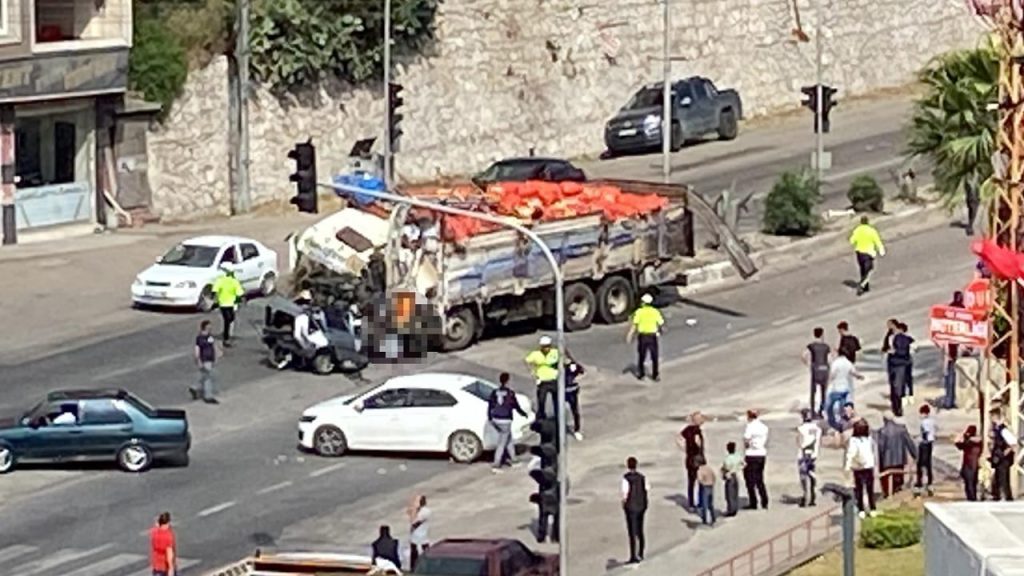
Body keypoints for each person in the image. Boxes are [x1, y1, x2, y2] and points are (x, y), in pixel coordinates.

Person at [488, 372, 527, 472]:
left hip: (495, 418)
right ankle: (496, 464)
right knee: (502, 442)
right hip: (505, 419)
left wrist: (490, 417)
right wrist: (523, 414)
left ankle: (514, 460)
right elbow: (515, 405)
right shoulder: (510, 393)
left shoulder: (495, 392)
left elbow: (490, 405)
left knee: (508, 439)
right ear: (508, 381)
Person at [877, 411, 917, 498]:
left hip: (887, 461)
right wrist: (915, 455)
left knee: (888, 482)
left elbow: (881, 448)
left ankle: (889, 497)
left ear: (884, 420)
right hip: (900, 460)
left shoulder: (882, 431)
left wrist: (880, 463)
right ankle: (897, 495)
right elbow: (910, 443)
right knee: (898, 480)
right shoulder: (901, 429)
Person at [627, 293, 664, 381]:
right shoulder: (655, 312)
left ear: (643, 302)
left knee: (642, 356)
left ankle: (641, 374)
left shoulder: (639, 312)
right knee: (654, 356)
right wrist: (661, 331)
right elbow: (661, 324)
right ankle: (655, 375)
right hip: (652, 336)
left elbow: (634, 325)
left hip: (643, 337)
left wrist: (630, 335)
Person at [845, 419, 878, 519]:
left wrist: (847, 465)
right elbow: (872, 451)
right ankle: (872, 509)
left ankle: (861, 509)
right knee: (870, 489)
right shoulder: (869, 439)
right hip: (869, 465)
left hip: (858, 467)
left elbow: (851, 453)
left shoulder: (853, 440)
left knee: (859, 489)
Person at [825, 352, 863, 432]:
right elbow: (853, 373)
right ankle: (843, 423)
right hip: (845, 388)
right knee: (842, 407)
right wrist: (859, 376)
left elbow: (832, 375)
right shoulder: (848, 363)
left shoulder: (836, 363)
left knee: (829, 406)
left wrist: (828, 382)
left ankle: (832, 422)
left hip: (836, 389)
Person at [621, 456, 649, 564]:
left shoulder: (626, 478)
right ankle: (641, 553)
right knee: (640, 530)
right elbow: (646, 489)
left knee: (632, 532)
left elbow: (625, 493)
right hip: (641, 506)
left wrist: (624, 504)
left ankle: (633, 556)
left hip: (631, 507)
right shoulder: (642, 477)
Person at [848, 215, 885, 295]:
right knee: (869, 269)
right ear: (868, 222)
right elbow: (877, 241)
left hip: (859, 253)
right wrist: (881, 250)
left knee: (862, 269)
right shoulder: (871, 231)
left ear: (861, 222)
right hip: (868, 252)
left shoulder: (857, 230)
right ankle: (862, 285)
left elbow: (851, 241)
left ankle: (866, 287)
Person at [524, 336, 560, 418]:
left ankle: (558, 416)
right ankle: (541, 417)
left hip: (554, 380)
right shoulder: (536, 354)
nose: (546, 348)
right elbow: (527, 361)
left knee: (557, 401)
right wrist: (532, 371)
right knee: (541, 401)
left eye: (548, 346)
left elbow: (563, 359)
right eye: (544, 346)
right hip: (543, 381)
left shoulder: (555, 352)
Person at [677, 412, 706, 510]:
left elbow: (678, 437)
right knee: (702, 480)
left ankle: (691, 503)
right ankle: (701, 501)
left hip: (689, 458)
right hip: (697, 459)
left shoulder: (687, 429)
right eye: (701, 418)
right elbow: (697, 442)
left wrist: (685, 449)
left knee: (691, 481)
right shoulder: (696, 431)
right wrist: (696, 448)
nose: (703, 419)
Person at [743, 410, 770, 510]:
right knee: (760, 479)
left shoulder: (750, 426)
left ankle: (753, 502)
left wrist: (747, 446)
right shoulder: (764, 427)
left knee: (749, 480)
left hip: (751, 454)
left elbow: (746, 439)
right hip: (761, 453)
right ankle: (764, 501)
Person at [212, 265, 244, 346]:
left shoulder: (220, 280)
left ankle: (226, 334)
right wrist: (240, 300)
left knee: (228, 319)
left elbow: (214, 290)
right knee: (229, 319)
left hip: (223, 303)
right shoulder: (234, 281)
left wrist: (214, 300)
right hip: (230, 304)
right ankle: (226, 338)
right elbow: (240, 293)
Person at [802, 327, 831, 418]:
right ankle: (821, 411)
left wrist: (809, 364)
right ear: (822, 334)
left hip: (815, 369)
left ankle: (813, 411)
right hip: (824, 369)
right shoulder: (826, 347)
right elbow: (830, 359)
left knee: (813, 391)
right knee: (823, 391)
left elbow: (804, 356)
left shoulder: (811, 346)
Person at [989, 409, 1018, 501]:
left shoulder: (1003, 430)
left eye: (992, 417)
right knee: (997, 479)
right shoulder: (996, 429)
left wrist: (1004, 454)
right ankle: (996, 496)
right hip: (998, 459)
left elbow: (1013, 443)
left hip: (1003, 460)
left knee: (1004, 479)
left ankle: (1007, 497)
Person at [944, 291, 965, 409]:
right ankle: (949, 401)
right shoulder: (959, 308)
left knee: (950, 376)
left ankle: (949, 401)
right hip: (953, 348)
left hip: (953, 347)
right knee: (951, 376)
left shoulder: (952, 308)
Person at [796, 408, 822, 507]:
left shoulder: (801, 428)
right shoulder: (817, 429)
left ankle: (805, 495)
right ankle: (813, 495)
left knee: (803, 476)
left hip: (803, 455)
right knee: (812, 474)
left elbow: (799, 442)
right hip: (813, 455)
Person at [190, 320, 219, 404]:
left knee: (204, 375)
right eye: (209, 326)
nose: (211, 328)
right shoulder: (200, 338)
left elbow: (213, 346)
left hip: (210, 358)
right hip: (204, 359)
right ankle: (208, 396)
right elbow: (197, 349)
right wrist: (198, 359)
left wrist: (216, 355)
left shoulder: (210, 337)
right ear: (205, 327)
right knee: (208, 377)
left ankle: (195, 388)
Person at [889, 322, 915, 412]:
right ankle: (909, 399)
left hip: (895, 364)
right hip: (907, 363)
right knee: (907, 382)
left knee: (896, 386)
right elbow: (913, 350)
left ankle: (897, 407)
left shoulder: (893, 338)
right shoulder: (909, 339)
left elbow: (891, 349)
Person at [955, 425, 983, 501]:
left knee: (969, 483)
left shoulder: (969, 442)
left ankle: (971, 498)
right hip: (975, 464)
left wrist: (959, 438)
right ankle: (973, 497)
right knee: (973, 482)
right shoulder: (979, 442)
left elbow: (959, 445)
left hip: (968, 464)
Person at [915, 405, 936, 497]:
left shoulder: (925, 422)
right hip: (930, 443)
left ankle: (919, 483)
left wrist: (921, 440)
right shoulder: (932, 421)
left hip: (925, 444)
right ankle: (929, 483)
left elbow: (925, 432)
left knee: (920, 464)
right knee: (928, 464)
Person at [564, 355, 585, 441]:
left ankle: (577, 430)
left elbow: (582, 371)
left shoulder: (574, 367)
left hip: (572, 392)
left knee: (575, 411)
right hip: (562, 392)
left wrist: (575, 366)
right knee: (559, 411)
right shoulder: (559, 366)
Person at [408, 495, 431, 570]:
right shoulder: (419, 510)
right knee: (414, 553)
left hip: (421, 536)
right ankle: (414, 567)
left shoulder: (425, 511)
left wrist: (413, 510)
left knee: (424, 552)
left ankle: (425, 567)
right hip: (415, 536)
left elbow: (414, 522)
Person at [149, 511, 176, 576]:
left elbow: (156, 526)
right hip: (165, 567)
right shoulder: (168, 535)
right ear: (168, 522)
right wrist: (171, 568)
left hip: (156, 564)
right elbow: (169, 554)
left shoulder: (154, 532)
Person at [720, 442, 743, 516]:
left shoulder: (727, 459)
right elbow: (744, 464)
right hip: (735, 475)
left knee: (729, 495)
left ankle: (731, 510)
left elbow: (725, 467)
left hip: (729, 476)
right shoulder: (738, 456)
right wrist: (738, 468)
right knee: (735, 493)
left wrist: (724, 472)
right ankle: (734, 509)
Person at [695, 455, 716, 526]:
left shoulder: (700, 470)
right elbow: (714, 476)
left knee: (704, 504)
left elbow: (700, 479)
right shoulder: (709, 468)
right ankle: (713, 517)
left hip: (705, 487)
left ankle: (705, 519)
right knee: (710, 504)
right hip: (711, 486)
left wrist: (703, 483)